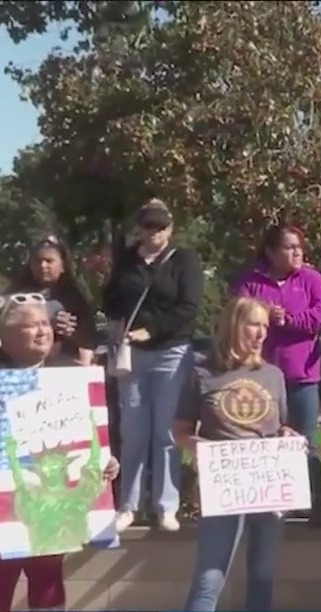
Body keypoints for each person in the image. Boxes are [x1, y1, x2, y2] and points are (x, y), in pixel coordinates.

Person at [173, 297, 296, 611]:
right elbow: (179, 431)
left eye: (265, 326)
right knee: (209, 578)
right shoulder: (201, 371)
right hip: (223, 486)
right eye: (253, 324)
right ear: (233, 325)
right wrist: (198, 445)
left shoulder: (273, 375)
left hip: (266, 486)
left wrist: (288, 436)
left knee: (262, 577)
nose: (260, 334)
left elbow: (279, 426)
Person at [0, 294, 120, 612]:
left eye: (44, 324)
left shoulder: (72, 376)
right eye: (30, 326)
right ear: (6, 336)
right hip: (3, 513)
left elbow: (94, 438)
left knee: (48, 585)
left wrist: (108, 463)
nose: (42, 331)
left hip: (50, 515)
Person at [104, 199, 203, 533]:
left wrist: (154, 328)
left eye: (161, 227)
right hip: (132, 354)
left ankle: (166, 506)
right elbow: (111, 299)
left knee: (166, 432)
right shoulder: (126, 260)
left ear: (170, 230)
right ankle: (129, 505)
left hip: (171, 352)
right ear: (139, 228)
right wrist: (117, 323)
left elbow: (189, 307)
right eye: (148, 226)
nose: (154, 233)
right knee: (133, 430)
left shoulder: (184, 260)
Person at [233, 224, 321, 526]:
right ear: (271, 252)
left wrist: (290, 320)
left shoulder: (311, 279)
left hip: (301, 375)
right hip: (259, 377)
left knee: (305, 441)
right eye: (289, 247)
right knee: (263, 441)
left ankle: (315, 505)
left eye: (299, 247)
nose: (296, 253)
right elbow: (237, 315)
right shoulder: (251, 281)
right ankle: (266, 506)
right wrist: (264, 314)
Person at [6, 236, 96, 365]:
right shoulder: (16, 299)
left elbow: (89, 339)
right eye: (38, 261)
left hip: (65, 367)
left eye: (49, 261)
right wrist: (45, 324)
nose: (43, 266)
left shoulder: (74, 300)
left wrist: (70, 332)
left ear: (62, 266)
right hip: (24, 369)